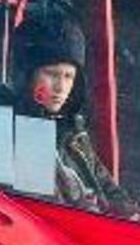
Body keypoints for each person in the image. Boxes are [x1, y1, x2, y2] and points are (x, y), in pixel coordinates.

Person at [10, 20, 124, 207]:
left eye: (68, 76)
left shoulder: (71, 131)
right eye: (51, 74)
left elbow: (109, 189)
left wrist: (138, 217)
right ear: (27, 75)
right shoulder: (15, 133)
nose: (61, 87)